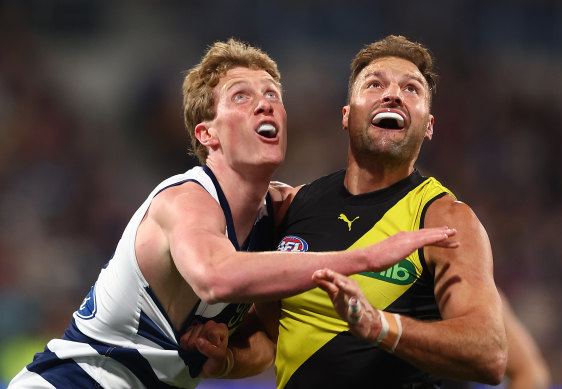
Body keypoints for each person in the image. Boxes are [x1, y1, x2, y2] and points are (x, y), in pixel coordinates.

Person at [8, 38, 457, 389]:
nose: (265, 104)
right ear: (207, 133)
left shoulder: (278, 215)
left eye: (272, 95)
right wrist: (365, 258)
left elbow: (267, 340)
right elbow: (216, 278)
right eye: (241, 97)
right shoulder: (185, 201)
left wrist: (225, 358)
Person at [215, 35, 508, 388]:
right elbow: (269, 335)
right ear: (346, 115)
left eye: (412, 89)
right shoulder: (292, 207)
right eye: (375, 84)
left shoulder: (444, 219)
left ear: (429, 125)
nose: (393, 94)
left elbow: (490, 354)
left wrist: (379, 326)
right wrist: (226, 358)